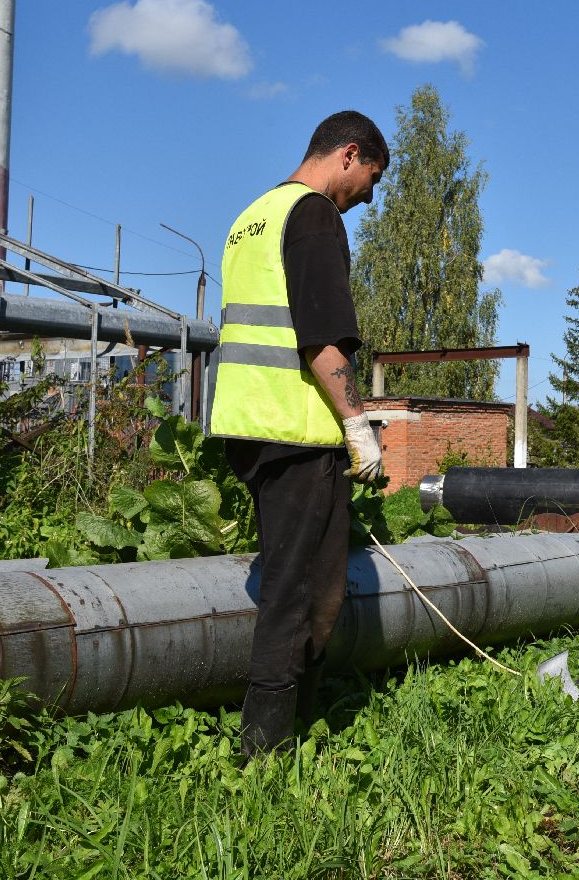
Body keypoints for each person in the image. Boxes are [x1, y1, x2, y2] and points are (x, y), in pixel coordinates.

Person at [210, 110, 390, 757]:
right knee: (302, 594)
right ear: (349, 154)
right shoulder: (313, 216)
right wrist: (357, 426)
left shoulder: (251, 218)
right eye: (370, 180)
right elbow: (322, 339)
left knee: (288, 581)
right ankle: (266, 753)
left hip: (248, 427)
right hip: (298, 430)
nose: (367, 198)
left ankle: (288, 736)